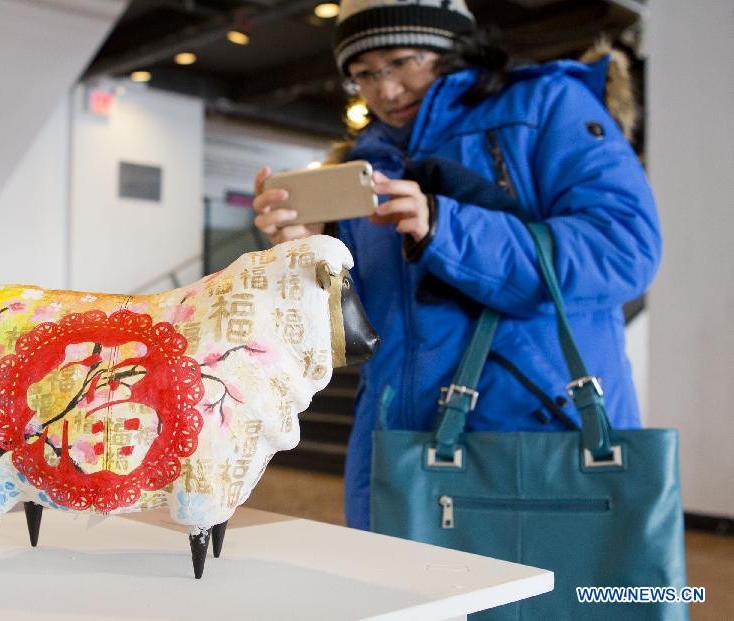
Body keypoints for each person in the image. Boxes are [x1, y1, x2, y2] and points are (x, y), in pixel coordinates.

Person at [252, 0, 661, 530]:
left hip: (533, 427)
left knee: (543, 602)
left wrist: (448, 230)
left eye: (402, 62)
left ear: (453, 47)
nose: (386, 90)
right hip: (398, 437)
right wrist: (306, 251)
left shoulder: (547, 105)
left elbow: (624, 249)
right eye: (364, 75)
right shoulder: (366, 160)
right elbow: (350, 331)